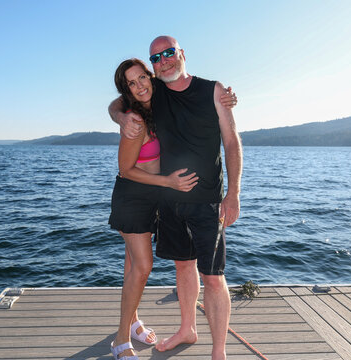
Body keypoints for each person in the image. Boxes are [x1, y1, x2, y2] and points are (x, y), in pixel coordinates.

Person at [109, 36, 242, 360]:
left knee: (212, 278)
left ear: (181, 54)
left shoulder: (212, 90)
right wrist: (121, 117)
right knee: (180, 266)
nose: (164, 60)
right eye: (156, 57)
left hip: (206, 201)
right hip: (165, 200)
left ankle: (219, 352)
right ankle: (183, 329)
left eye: (169, 53)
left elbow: (232, 142)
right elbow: (119, 102)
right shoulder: (152, 97)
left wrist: (233, 193)